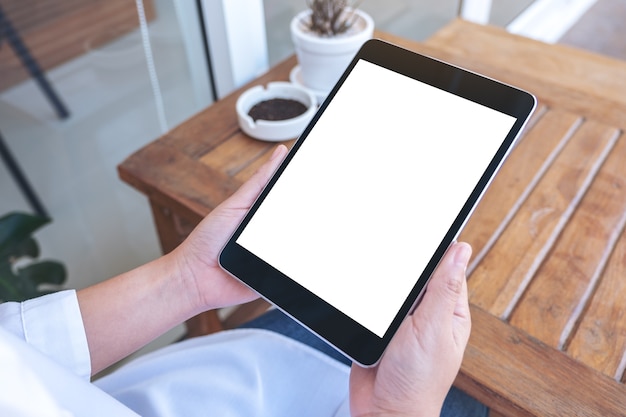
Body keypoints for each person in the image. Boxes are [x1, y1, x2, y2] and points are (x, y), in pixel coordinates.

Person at [0, 144, 487, 417]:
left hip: (210, 384)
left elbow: (16, 353)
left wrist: (187, 280)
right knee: (475, 391)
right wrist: (401, 409)